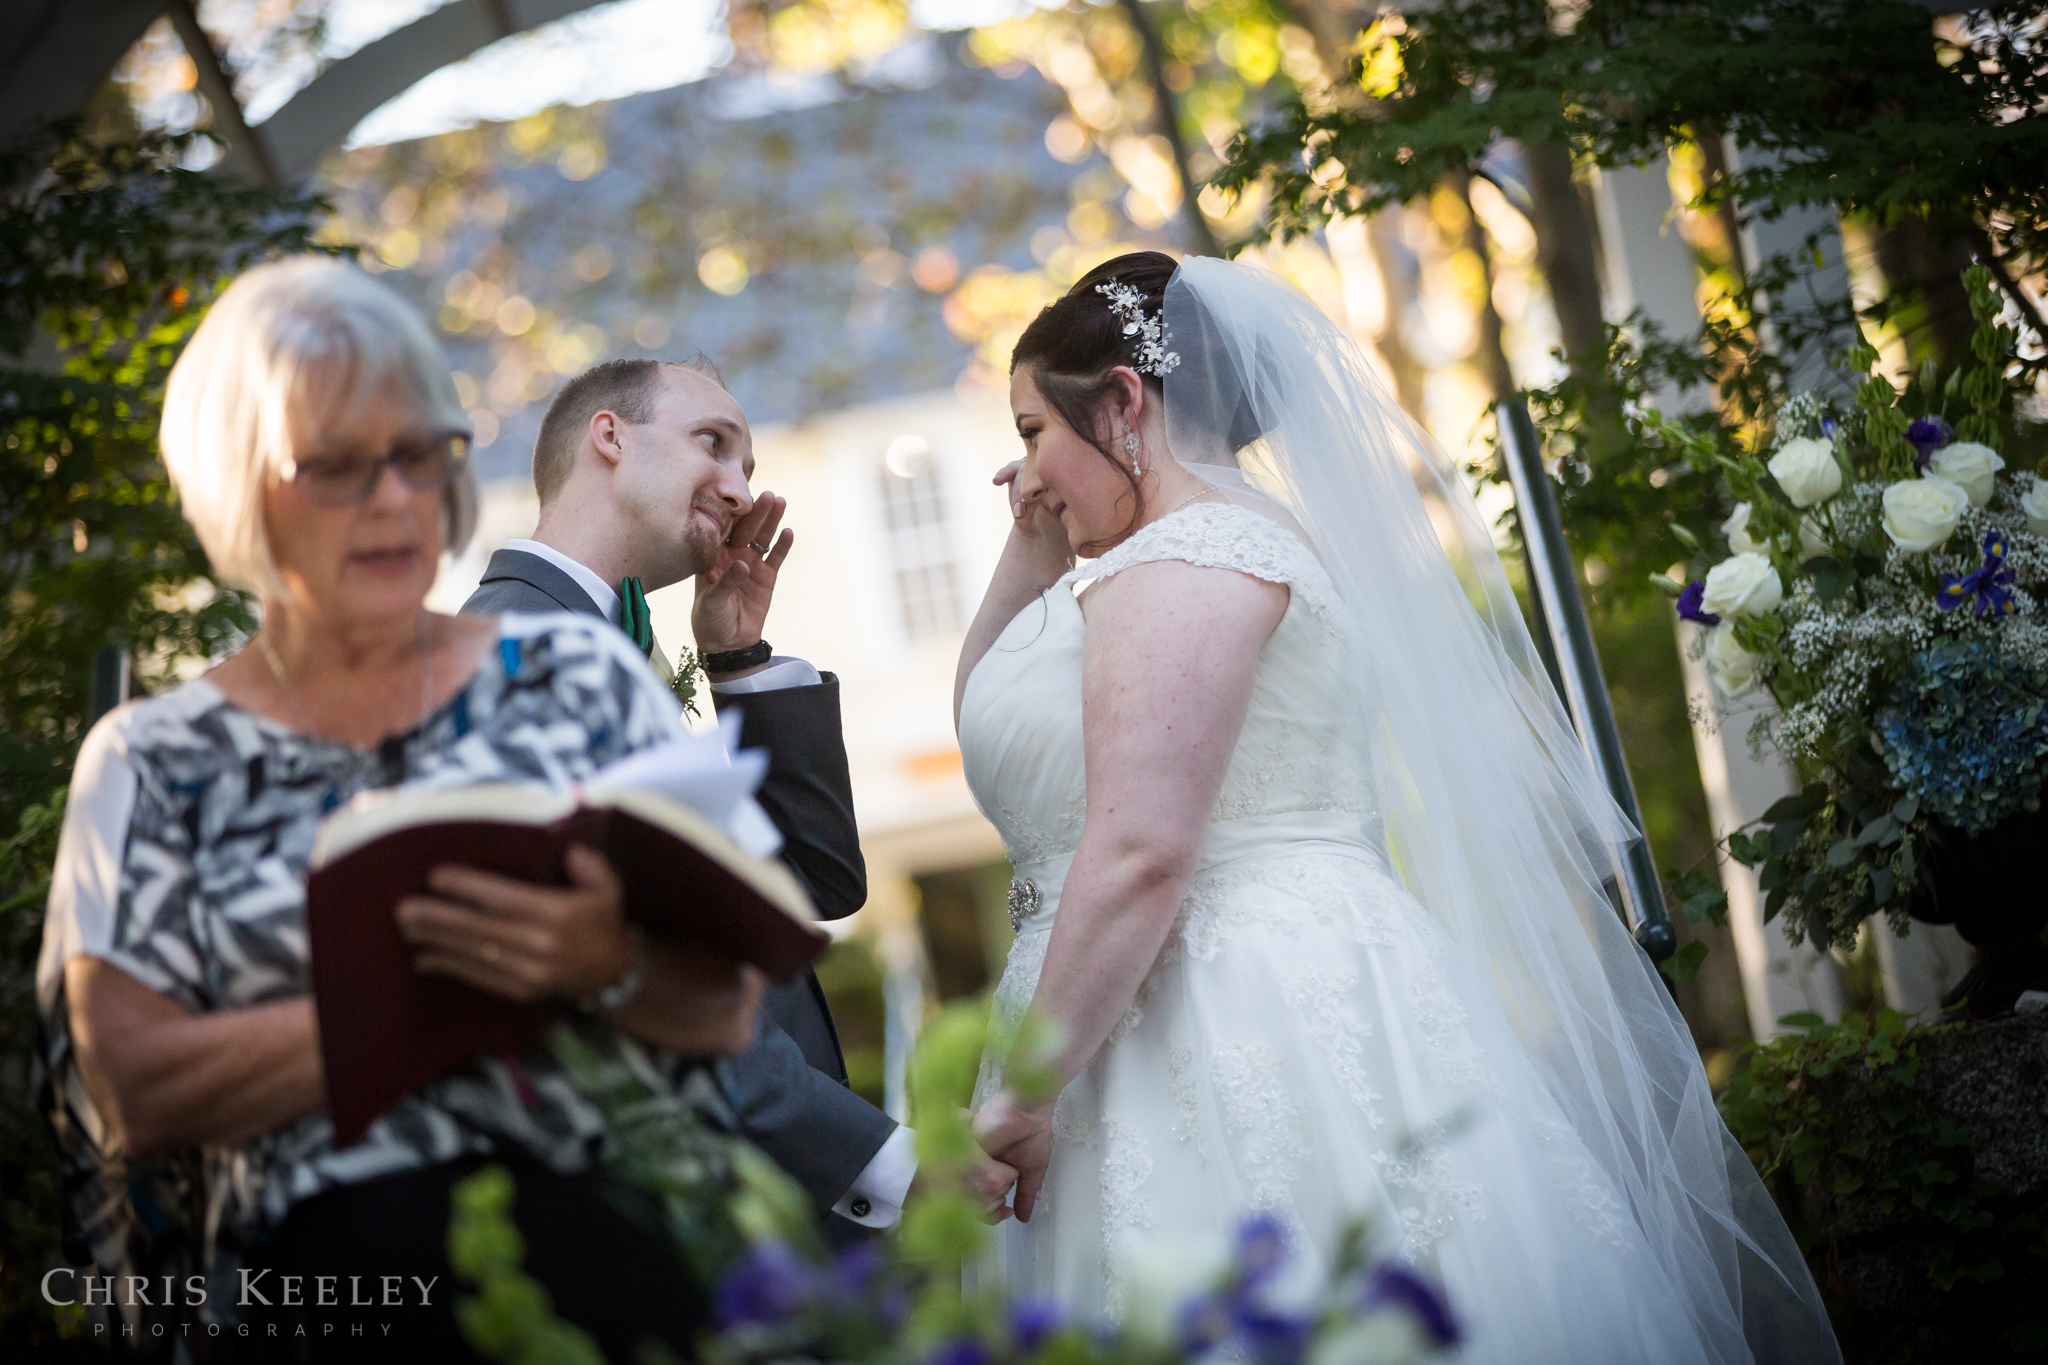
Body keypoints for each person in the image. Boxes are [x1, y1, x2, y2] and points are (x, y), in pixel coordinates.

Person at [959, 252, 1841, 1363]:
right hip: (1211, 975)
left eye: (1034, 429)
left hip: (1221, 1000)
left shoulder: (1189, 560)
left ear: (1124, 402)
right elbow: (998, 728)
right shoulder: (1209, 543)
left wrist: (1027, 1093)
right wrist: (1032, 544)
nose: (1027, 469)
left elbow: (1138, 850)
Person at [36, 258, 764, 1359]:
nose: (390, 500)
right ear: (240, 487)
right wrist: (427, 1001)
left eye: (417, 457)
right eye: (335, 468)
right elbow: (130, 1083)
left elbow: (727, 1006)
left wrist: (600, 962)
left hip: (618, 1274)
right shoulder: (151, 757)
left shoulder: (577, 676)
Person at [461, 358, 1005, 1244]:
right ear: (609, 436)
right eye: (712, 443)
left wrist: (739, 661)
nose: (739, 487)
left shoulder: (603, 640)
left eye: (749, 463)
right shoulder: (524, 650)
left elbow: (813, 885)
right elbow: (631, 981)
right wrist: (886, 1161)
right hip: (683, 1220)